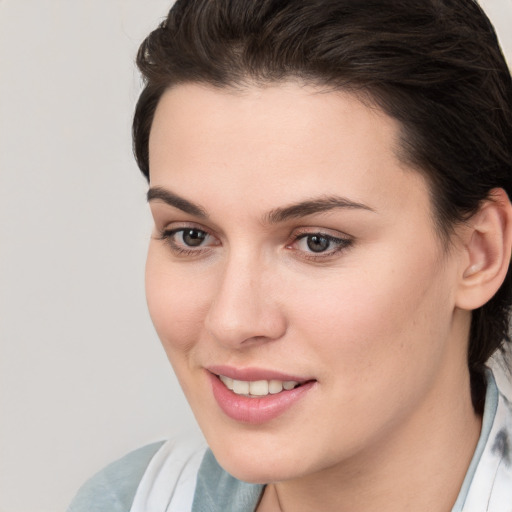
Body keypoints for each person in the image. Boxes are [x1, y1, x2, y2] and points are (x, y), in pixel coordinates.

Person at [68, 0, 512, 510]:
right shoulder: (125, 500)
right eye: (191, 235)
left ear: (480, 252)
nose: (232, 321)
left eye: (316, 241)